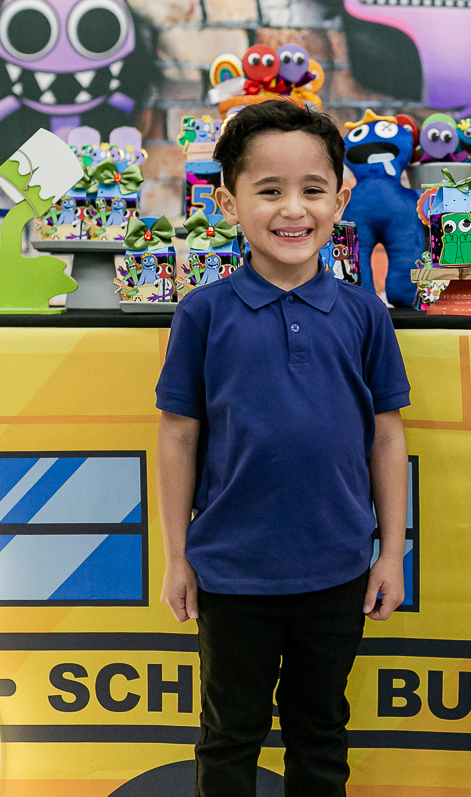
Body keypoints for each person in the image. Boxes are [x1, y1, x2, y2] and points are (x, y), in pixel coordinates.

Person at [155, 99, 411, 797]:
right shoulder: (202, 314)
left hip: (337, 573)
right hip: (230, 575)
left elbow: (387, 436)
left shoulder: (363, 313)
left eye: (311, 189)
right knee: (229, 736)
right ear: (229, 201)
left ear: (341, 198)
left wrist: (390, 552)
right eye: (268, 190)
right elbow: (177, 436)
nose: (291, 209)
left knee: (320, 734)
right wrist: (177, 555)